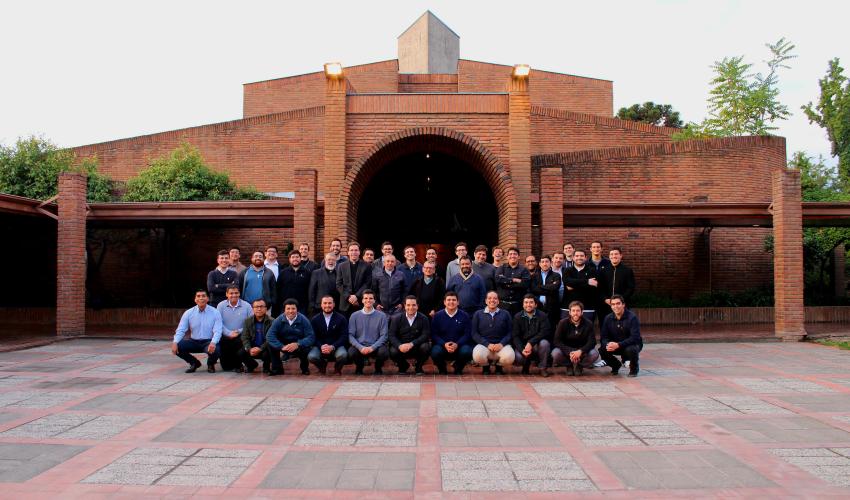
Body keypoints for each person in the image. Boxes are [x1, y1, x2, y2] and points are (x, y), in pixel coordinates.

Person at [172, 290, 222, 373]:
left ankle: (210, 364)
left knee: (217, 349)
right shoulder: (188, 313)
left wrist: (213, 342)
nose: (201, 298)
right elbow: (181, 329)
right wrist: (175, 342)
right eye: (198, 296)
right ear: (195, 299)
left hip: (208, 342)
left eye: (203, 296)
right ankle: (194, 363)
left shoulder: (215, 312)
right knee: (178, 346)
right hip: (194, 341)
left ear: (207, 299)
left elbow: (218, 330)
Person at [266, 299, 315, 376]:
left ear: (297, 310)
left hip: (298, 345)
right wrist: (281, 346)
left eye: (293, 308)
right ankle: (277, 369)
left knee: (306, 347)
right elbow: (269, 335)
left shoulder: (304, 320)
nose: (291, 311)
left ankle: (305, 368)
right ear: (284, 310)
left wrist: (298, 344)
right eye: (288, 309)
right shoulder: (279, 320)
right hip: (284, 345)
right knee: (270, 345)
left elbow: (311, 337)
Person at [471, 291, 515, 375]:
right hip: (485, 346)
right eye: (489, 298)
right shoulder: (478, 314)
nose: (492, 300)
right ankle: (486, 366)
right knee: (477, 355)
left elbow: (510, 332)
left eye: (495, 298)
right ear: (486, 301)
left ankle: (499, 366)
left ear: (498, 301)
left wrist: (501, 344)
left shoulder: (505, 314)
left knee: (510, 357)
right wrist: (487, 344)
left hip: (501, 346)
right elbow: (474, 333)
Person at [552, 300, 600, 376]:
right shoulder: (562, 323)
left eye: (578, 311)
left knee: (594, 354)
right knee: (555, 353)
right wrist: (570, 352)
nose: (575, 313)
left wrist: (580, 351)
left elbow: (592, 342)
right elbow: (557, 341)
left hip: (582, 350)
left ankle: (580, 366)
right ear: (569, 312)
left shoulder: (588, 323)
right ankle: (569, 366)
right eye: (573, 311)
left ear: (582, 312)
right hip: (567, 350)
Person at [430, 291, 473, 375]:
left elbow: (467, 334)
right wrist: (444, 344)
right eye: (448, 300)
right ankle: (442, 368)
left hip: (459, 346)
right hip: (442, 346)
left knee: (467, 351)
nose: (451, 302)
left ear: (458, 302)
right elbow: (434, 334)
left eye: (454, 300)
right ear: (444, 302)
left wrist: (457, 344)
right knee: (435, 352)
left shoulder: (464, 316)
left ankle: (458, 367)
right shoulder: (438, 316)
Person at [347, 290, 389, 375]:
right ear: (362, 300)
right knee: (351, 352)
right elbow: (350, 335)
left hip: (375, 346)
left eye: (371, 298)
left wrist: (372, 347)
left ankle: (378, 367)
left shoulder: (382, 316)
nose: (368, 300)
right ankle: (359, 367)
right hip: (360, 347)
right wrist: (360, 347)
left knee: (384, 352)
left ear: (374, 300)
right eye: (365, 298)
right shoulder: (354, 316)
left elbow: (384, 336)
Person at [600, 295, 642, 377]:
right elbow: (604, 337)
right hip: (615, 345)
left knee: (631, 349)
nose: (616, 306)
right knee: (602, 349)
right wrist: (608, 344)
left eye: (618, 303)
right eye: (613, 304)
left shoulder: (632, 317)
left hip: (631, 345)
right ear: (611, 306)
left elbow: (635, 337)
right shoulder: (608, 318)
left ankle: (634, 369)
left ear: (623, 305)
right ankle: (616, 365)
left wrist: (618, 344)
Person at [388, 296, 432, 375]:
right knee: (392, 351)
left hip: (417, 347)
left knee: (426, 347)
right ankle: (403, 366)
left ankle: (419, 367)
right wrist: (399, 345)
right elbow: (391, 335)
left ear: (417, 306)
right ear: (404, 306)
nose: (411, 307)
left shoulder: (424, 318)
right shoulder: (396, 318)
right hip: (402, 348)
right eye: (408, 305)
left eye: (413, 305)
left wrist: (412, 344)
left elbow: (426, 335)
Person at [512, 294, 552, 377]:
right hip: (523, 345)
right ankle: (525, 366)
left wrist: (530, 343)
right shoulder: (517, 317)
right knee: (518, 357)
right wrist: (522, 349)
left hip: (537, 345)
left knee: (545, 343)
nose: (528, 305)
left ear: (536, 305)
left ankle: (542, 368)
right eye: (526, 302)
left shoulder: (542, 316)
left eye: (531, 302)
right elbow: (515, 336)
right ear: (523, 305)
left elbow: (545, 332)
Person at [308, 295, 349, 374]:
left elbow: (344, 336)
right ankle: (322, 365)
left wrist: (333, 346)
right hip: (320, 346)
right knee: (311, 357)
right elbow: (312, 336)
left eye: (330, 303)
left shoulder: (341, 318)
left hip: (336, 346)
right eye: (325, 303)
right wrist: (321, 346)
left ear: (334, 304)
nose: (327, 305)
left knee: (343, 355)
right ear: (321, 305)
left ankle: (337, 368)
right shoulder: (315, 319)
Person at [216, 285, 252, 371]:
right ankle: (229, 364)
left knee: (238, 341)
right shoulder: (220, 305)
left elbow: (251, 323)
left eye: (236, 293)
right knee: (226, 368)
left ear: (239, 294)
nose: (234, 295)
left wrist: (238, 332)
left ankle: (238, 365)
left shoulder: (247, 306)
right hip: (225, 335)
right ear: (226, 294)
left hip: (241, 334)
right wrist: (228, 333)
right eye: (231, 293)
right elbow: (218, 322)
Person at [238, 298, 274, 374]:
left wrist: (260, 348)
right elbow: (245, 337)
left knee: (269, 351)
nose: (259, 309)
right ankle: (251, 365)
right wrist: (249, 348)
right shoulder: (247, 321)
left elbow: (271, 338)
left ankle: (266, 367)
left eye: (261, 306)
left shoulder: (272, 321)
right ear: (253, 309)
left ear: (266, 308)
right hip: (252, 347)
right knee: (241, 352)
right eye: (256, 307)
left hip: (264, 347)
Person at [336, 242, 371, 316]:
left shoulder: (366, 266)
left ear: (359, 252)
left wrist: (356, 296)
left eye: (356, 250)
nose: (353, 252)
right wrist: (348, 296)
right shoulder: (341, 266)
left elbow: (367, 283)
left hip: (360, 303)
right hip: (345, 304)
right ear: (348, 252)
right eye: (351, 250)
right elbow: (339, 284)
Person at [564, 249, 600, 323]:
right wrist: (587, 281)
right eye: (577, 256)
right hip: (569, 307)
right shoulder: (567, 270)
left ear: (585, 258)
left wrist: (573, 284)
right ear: (573, 258)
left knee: (587, 331)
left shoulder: (592, 270)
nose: (579, 257)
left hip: (588, 306)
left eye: (581, 256)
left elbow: (593, 287)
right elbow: (567, 283)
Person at [495, 247, 531, 317]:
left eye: (515, 254)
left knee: (517, 327)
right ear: (507, 257)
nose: (512, 256)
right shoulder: (501, 268)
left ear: (519, 257)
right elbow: (498, 280)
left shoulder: (524, 270)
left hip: (518, 306)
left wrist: (506, 284)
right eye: (510, 254)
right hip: (503, 305)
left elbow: (525, 284)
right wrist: (514, 280)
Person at [238, 251, 276, 315]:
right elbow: (239, 288)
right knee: (248, 324)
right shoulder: (244, 272)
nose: (258, 258)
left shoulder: (269, 273)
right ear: (252, 259)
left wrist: (270, 303)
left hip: (264, 307)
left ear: (264, 259)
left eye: (260, 256)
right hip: (248, 307)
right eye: (255, 256)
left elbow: (274, 290)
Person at [530, 255, 562, 330]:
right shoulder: (534, 276)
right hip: (538, 306)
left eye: (547, 262)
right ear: (539, 264)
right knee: (537, 327)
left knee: (551, 327)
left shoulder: (556, 275)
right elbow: (533, 289)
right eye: (542, 262)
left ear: (551, 263)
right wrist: (549, 287)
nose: (545, 264)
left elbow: (555, 288)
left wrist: (540, 287)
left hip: (552, 306)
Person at [278, 250, 311, 315]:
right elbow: (278, 289)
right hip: (286, 306)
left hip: (302, 306)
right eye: (293, 257)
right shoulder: (283, 272)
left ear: (300, 258)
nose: (295, 259)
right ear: (289, 259)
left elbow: (310, 289)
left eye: (297, 257)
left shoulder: (307, 272)